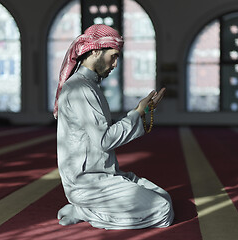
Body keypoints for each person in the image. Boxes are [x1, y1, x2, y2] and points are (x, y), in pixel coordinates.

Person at [54, 24, 174, 230]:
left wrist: (144, 112)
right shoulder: (80, 88)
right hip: (88, 183)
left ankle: (90, 207)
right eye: (114, 56)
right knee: (162, 211)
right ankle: (83, 210)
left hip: (105, 176)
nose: (115, 64)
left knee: (164, 197)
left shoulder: (89, 85)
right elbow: (105, 140)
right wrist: (137, 112)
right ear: (96, 51)